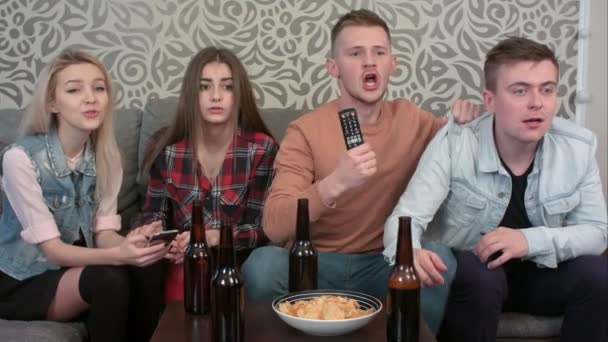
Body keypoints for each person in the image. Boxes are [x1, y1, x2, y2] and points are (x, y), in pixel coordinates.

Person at [241, 9, 479, 334]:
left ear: (391, 64)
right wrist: (335, 183)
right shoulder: (305, 130)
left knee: (436, 257)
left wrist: (465, 122)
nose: (370, 62)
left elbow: (458, 148)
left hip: (382, 264)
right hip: (315, 264)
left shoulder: (412, 120)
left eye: (379, 53)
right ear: (333, 67)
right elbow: (274, 224)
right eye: (356, 53)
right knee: (261, 265)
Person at [383, 36, 608, 342]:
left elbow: (597, 232)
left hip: (540, 276)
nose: (536, 103)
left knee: (599, 274)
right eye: (520, 90)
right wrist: (410, 252)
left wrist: (528, 240)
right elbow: (406, 217)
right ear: (490, 101)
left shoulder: (577, 148)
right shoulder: (456, 142)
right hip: (473, 282)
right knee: (482, 277)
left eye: (547, 89)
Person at [0, 49, 169, 342]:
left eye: (99, 88)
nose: (90, 98)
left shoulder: (107, 157)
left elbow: (103, 234)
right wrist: (118, 255)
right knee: (108, 278)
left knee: (149, 265)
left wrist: (132, 243)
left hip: (74, 270)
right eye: (74, 89)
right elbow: (52, 250)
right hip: (23, 280)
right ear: (52, 102)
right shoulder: (20, 159)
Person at [141, 47, 278, 301]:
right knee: (156, 269)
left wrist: (213, 237)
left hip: (236, 261)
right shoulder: (167, 151)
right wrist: (164, 241)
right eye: (205, 87)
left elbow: (263, 229)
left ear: (240, 95)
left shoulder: (261, 149)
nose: (216, 96)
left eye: (227, 87)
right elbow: (153, 215)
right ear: (191, 95)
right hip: (184, 262)